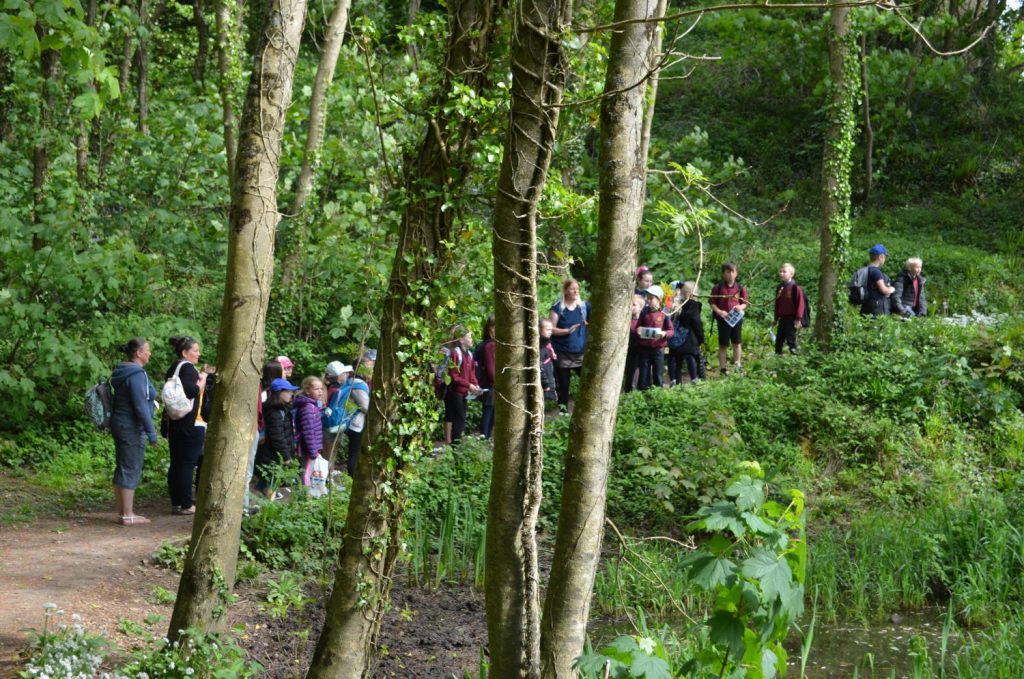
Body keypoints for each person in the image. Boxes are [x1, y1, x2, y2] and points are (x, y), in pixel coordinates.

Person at [109, 337, 159, 526]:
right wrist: (151, 432)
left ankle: (123, 512)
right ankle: (128, 515)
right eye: (147, 350)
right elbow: (140, 406)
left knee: (123, 465)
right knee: (131, 467)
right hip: (131, 426)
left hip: (120, 423)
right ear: (138, 353)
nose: (150, 353)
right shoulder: (136, 374)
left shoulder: (122, 370)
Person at [164, 336, 215, 515]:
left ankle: (176, 502)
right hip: (191, 424)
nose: (198, 353)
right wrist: (203, 378)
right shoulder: (187, 368)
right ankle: (186, 504)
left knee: (177, 463)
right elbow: (192, 391)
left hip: (176, 422)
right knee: (187, 464)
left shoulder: (175, 367)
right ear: (185, 353)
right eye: (195, 350)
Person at [549, 278, 591, 410]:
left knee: (588, 379)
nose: (576, 291)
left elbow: (594, 322)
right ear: (566, 290)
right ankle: (563, 410)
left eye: (577, 289)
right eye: (572, 288)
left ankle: (587, 406)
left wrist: (587, 324)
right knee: (563, 383)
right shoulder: (558, 308)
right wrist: (566, 331)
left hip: (581, 352)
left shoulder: (584, 307)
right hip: (562, 351)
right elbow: (550, 329)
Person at [246, 359, 283, 509]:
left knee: (258, 467)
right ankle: (261, 499)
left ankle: (258, 495)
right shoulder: (269, 392)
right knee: (262, 467)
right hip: (264, 435)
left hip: (262, 434)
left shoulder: (262, 388)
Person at [253, 378, 299, 498]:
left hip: (273, 454)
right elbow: (277, 436)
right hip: (270, 455)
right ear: (279, 392)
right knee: (270, 485)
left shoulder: (282, 409)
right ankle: (263, 512)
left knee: (266, 483)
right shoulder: (274, 411)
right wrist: (286, 455)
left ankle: (259, 506)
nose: (291, 394)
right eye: (288, 391)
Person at [443, 325, 482, 444]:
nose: (472, 340)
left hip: (464, 393)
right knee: (458, 419)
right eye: (469, 337)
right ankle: (455, 447)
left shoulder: (469, 354)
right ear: (461, 340)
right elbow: (454, 376)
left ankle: (456, 444)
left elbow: (471, 374)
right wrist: (469, 385)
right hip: (455, 393)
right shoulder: (455, 354)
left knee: (461, 419)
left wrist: (476, 385)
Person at [710, 263, 749, 375]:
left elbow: (745, 302)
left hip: (736, 319)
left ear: (736, 273)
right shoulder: (717, 288)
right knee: (723, 344)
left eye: (732, 272)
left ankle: (737, 364)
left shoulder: (740, 288)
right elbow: (712, 302)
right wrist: (719, 312)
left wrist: (740, 307)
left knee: (737, 342)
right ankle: (722, 368)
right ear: (723, 274)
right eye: (728, 272)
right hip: (723, 319)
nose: (730, 274)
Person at [634, 285, 673, 390]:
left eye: (651, 298)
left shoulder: (664, 314)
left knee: (657, 373)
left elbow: (671, 331)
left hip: (658, 349)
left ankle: (657, 394)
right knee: (644, 373)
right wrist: (638, 330)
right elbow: (638, 326)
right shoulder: (644, 312)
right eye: (648, 297)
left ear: (659, 299)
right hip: (644, 348)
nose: (649, 300)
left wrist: (664, 333)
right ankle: (643, 393)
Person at [668, 283, 705, 385]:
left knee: (675, 359)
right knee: (690, 357)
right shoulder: (693, 304)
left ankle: (674, 381)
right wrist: (701, 337)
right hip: (689, 338)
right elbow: (696, 322)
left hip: (675, 337)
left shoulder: (676, 302)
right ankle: (694, 379)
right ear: (692, 293)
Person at [294, 376, 325, 487]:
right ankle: (305, 498)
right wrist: (313, 451)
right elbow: (308, 431)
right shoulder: (308, 408)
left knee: (307, 471)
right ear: (307, 391)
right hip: (306, 448)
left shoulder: (313, 406)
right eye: (316, 389)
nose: (320, 392)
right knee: (306, 473)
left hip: (311, 447)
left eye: (321, 388)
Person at [773, 263, 806, 355]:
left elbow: (801, 304)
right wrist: (776, 318)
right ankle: (778, 356)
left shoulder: (795, 288)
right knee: (779, 339)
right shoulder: (780, 288)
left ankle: (795, 358)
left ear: (791, 274)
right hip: (782, 318)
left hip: (791, 319)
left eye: (784, 272)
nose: (781, 274)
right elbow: (777, 304)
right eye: (780, 271)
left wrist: (798, 319)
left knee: (791, 339)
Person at [474, 316, 496, 439]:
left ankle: (486, 437)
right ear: (490, 329)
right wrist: (496, 382)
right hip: (490, 384)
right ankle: (485, 437)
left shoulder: (482, 344)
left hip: (485, 383)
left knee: (490, 410)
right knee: (488, 411)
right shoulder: (490, 346)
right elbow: (491, 366)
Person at [861, 244, 896, 317]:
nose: (885, 260)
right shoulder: (876, 272)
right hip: (875, 308)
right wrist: (891, 289)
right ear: (881, 257)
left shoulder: (865, 269)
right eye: (885, 257)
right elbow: (883, 290)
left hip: (865, 305)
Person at [624, 293, 645, 392]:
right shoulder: (625, 320)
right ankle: (629, 392)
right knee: (629, 373)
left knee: (638, 373)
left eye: (634, 304)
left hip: (641, 351)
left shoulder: (644, 320)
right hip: (629, 351)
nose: (631, 307)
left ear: (641, 307)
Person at [539, 319, 558, 405]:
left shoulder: (546, 342)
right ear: (539, 330)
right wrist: (545, 383)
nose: (550, 332)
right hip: (543, 381)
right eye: (547, 330)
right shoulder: (540, 346)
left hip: (548, 375)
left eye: (551, 330)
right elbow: (540, 366)